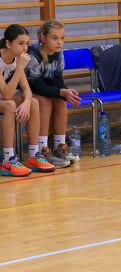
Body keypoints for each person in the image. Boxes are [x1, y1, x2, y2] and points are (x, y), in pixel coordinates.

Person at [26, 20, 78, 170]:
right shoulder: (33, 54)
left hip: (42, 89)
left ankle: (59, 148)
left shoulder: (58, 53)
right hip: (27, 90)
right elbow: (35, 85)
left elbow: (57, 80)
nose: (59, 42)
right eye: (54, 38)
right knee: (44, 102)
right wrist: (61, 91)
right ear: (43, 38)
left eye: (62, 38)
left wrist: (66, 92)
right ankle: (43, 150)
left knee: (61, 101)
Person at [0, 25, 38, 176]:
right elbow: (6, 94)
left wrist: (27, 103)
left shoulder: (17, 58)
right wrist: (20, 68)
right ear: (8, 44)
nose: (25, 48)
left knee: (33, 102)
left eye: (27, 43)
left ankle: (34, 156)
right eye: (21, 43)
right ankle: (8, 160)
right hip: (4, 98)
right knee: (10, 105)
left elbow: (27, 90)